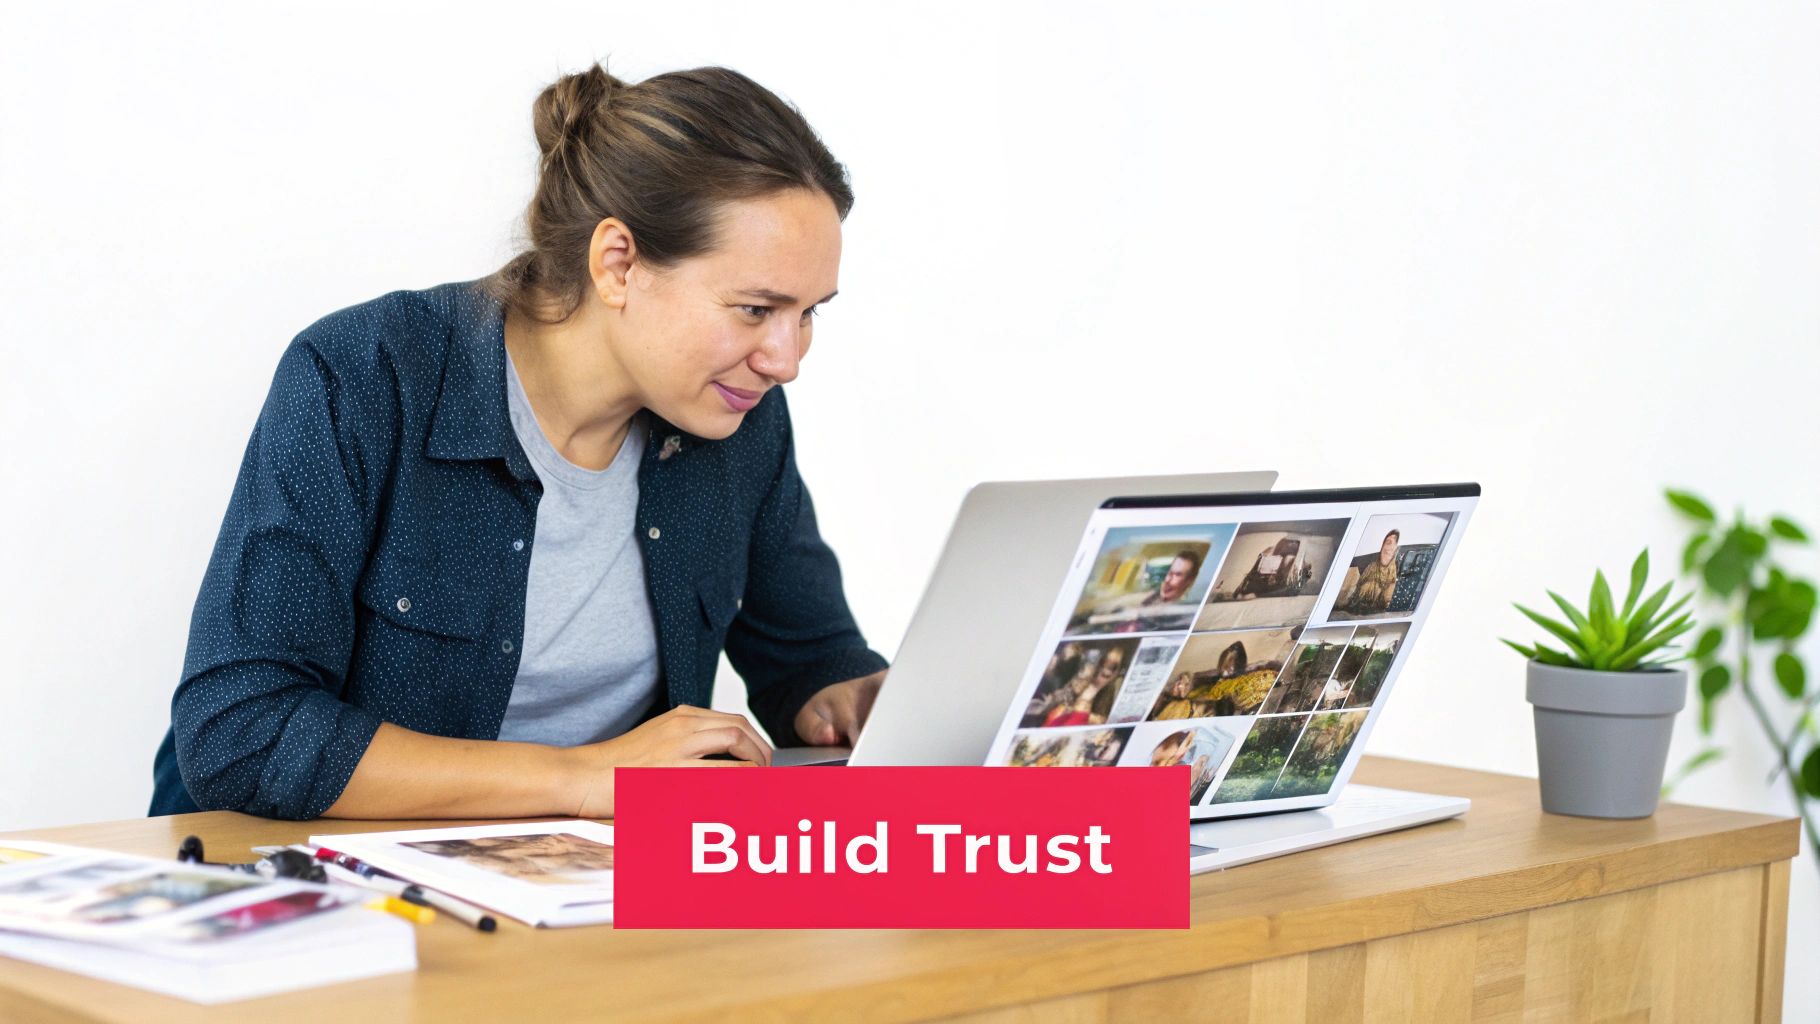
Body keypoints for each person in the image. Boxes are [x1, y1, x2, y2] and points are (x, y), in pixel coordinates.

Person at [148, 62, 889, 822]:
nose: (787, 359)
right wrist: (580, 779)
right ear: (619, 264)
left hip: (580, 900)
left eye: (809, 314)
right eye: (756, 308)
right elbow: (242, 733)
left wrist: (857, 698)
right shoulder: (366, 376)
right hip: (311, 890)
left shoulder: (736, 416)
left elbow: (807, 660)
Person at [1345, 530, 1401, 614]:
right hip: (1356, 612)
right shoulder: (1367, 565)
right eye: (1388, 542)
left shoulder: (1394, 571)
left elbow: (1389, 599)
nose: (1391, 547)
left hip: (1380, 615)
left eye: (1395, 543)